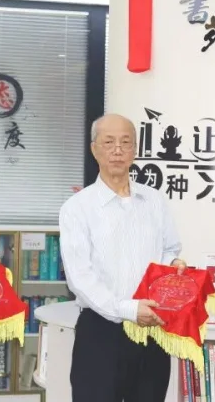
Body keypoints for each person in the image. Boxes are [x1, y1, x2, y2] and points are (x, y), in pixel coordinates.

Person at [58, 113, 186, 402]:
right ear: (94, 149)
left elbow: (170, 249)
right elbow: (80, 278)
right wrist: (128, 309)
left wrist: (173, 267)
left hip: (151, 329)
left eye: (125, 142)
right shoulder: (77, 208)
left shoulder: (154, 200)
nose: (117, 150)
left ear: (135, 150)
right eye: (109, 142)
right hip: (101, 333)